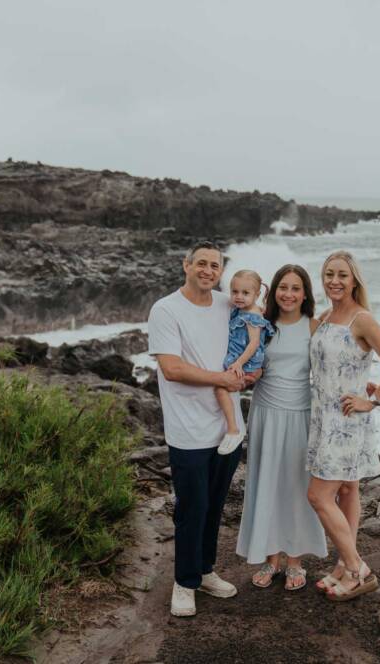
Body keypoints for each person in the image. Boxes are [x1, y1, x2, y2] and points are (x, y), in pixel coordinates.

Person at [147, 240, 248, 618]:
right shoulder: (166, 309)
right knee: (192, 507)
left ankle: (205, 571)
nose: (208, 270)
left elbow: (251, 338)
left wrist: (249, 371)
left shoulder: (227, 304)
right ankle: (184, 582)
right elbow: (172, 368)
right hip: (187, 430)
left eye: (215, 266)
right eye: (201, 263)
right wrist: (221, 377)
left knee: (215, 506)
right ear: (185, 265)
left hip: (228, 427)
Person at [306, 250, 380, 601]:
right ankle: (342, 565)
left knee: (318, 496)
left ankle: (357, 569)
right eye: (329, 274)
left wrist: (374, 399)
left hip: (347, 421)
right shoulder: (326, 316)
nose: (334, 280)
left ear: (354, 281)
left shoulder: (362, 320)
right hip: (323, 418)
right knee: (348, 491)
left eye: (342, 275)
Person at [236, 265, 328, 590]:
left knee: (296, 486)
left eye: (295, 288)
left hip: (300, 413)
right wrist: (247, 374)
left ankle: (296, 561)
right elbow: (249, 362)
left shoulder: (315, 326)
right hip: (264, 412)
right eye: (282, 287)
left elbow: (331, 369)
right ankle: (271, 558)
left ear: (305, 294)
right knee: (267, 483)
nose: (288, 294)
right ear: (273, 290)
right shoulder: (262, 322)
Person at [215, 269, 274, 455]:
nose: (239, 297)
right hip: (240, 357)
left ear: (256, 295)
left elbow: (255, 343)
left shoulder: (253, 315)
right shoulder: (242, 310)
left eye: (245, 293)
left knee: (220, 388)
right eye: (235, 292)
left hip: (246, 361)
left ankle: (233, 430)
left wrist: (239, 363)